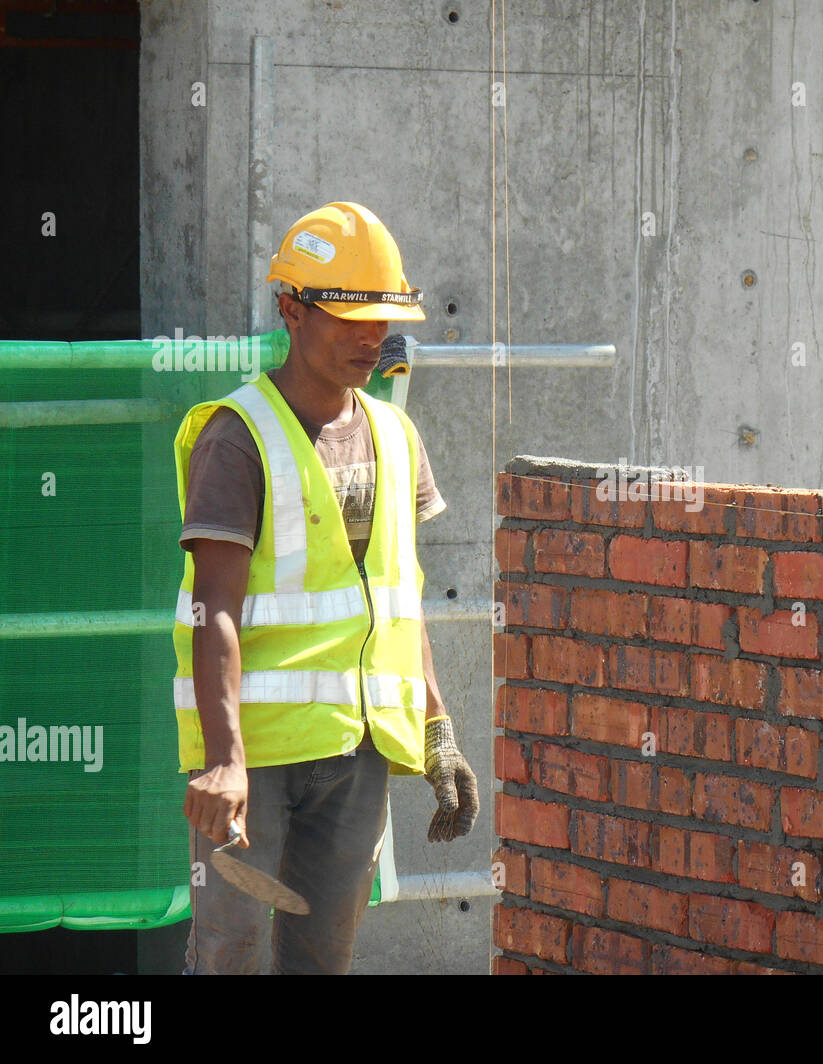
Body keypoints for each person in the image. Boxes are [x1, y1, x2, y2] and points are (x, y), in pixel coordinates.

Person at [170, 201, 478, 974]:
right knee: (230, 950)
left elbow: (401, 598)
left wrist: (437, 727)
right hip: (256, 757)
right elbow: (216, 613)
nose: (370, 337)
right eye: (349, 317)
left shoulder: (396, 437)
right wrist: (225, 758)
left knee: (321, 955)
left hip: (357, 748)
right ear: (291, 312)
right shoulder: (237, 437)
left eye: (383, 317)